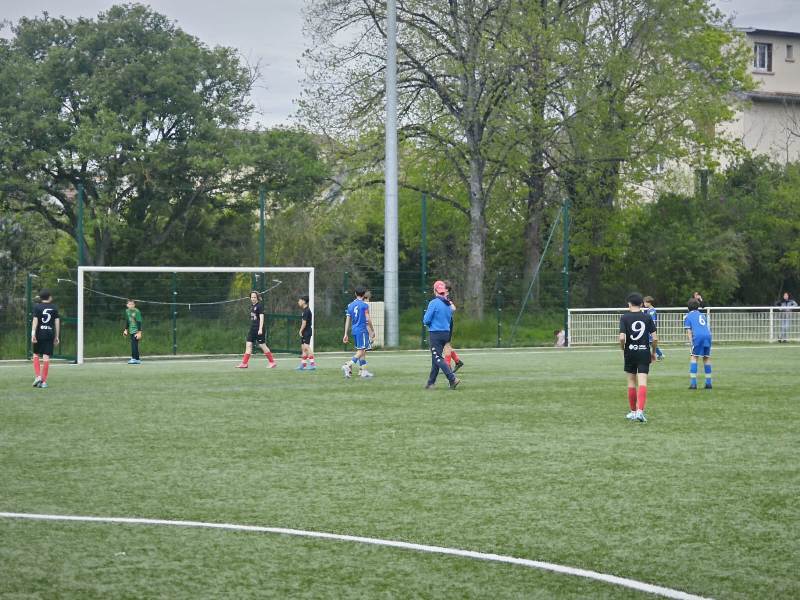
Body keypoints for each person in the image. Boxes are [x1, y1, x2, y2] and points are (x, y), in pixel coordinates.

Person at [619, 292, 657, 423]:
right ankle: (640, 411)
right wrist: (653, 352)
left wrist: (623, 349)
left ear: (629, 303)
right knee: (642, 382)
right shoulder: (647, 317)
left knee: (631, 382)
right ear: (641, 304)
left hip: (630, 352)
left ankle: (633, 412)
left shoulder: (624, 317)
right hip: (644, 352)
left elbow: (622, 338)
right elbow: (655, 338)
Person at [424, 280, 461, 390]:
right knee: (435, 358)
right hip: (446, 333)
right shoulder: (448, 304)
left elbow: (426, 320)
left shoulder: (433, 303)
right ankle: (431, 383)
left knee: (437, 357)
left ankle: (452, 379)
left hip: (435, 334)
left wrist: (430, 324)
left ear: (435, 290)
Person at [235, 291, 277, 369]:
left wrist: (260, 329)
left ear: (257, 298)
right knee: (248, 344)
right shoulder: (252, 306)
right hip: (252, 329)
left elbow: (261, 318)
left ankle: (272, 362)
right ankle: (244, 363)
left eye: (254, 297)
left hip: (258, 329)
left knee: (262, 345)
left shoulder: (259, 306)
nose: (253, 299)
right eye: (252, 297)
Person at [342, 285, 375, 378]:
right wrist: (372, 330)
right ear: (364, 294)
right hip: (362, 330)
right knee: (361, 350)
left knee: (362, 350)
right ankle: (348, 365)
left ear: (355, 294)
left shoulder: (350, 305)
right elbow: (368, 319)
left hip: (354, 331)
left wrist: (345, 334)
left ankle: (363, 371)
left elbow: (348, 320)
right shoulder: (364, 305)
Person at [31, 289, 60, 389]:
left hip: (39, 334)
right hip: (49, 334)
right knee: (46, 356)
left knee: (36, 354)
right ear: (50, 297)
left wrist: (33, 334)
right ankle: (43, 381)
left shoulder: (37, 307)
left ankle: (38, 376)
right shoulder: (54, 307)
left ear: (40, 298)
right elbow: (57, 322)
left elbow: (35, 321)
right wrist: (57, 336)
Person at [684, 298, 713, 389]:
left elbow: (689, 331)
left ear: (688, 307)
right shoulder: (702, 315)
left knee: (694, 357)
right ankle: (708, 383)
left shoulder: (688, 316)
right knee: (706, 358)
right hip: (708, 335)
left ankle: (693, 384)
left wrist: (691, 343)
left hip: (698, 336)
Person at [442, 281, 464, 372]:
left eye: (443, 287)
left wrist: (448, 304)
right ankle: (457, 361)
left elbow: (453, 308)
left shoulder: (446, 298)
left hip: (447, 323)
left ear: (447, 290)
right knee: (445, 344)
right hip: (443, 323)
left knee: (446, 344)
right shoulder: (442, 297)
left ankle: (447, 366)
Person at [296, 295, 316, 370]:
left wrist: (300, 330)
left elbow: (304, 323)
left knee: (307, 347)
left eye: (299, 300)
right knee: (303, 348)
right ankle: (303, 364)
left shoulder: (307, 311)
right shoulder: (304, 310)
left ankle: (313, 364)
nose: (298, 302)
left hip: (307, 331)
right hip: (305, 331)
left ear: (304, 301)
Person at [643, 296, 665, 361]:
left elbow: (652, 321)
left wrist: (651, 329)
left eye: (645, 302)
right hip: (649, 329)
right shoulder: (649, 310)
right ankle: (659, 355)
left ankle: (659, 355)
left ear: (649, 303)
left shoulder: (652, 311)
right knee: (650, 343)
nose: (644, 304)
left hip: (650, 330)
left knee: (650, 343)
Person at [122, 299, 143, 364]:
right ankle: (137, 359)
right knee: (134, 344)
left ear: (134, 305)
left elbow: (139, 322)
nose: (131, 305)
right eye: (129, 304)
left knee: (134, 344)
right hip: (131, 330)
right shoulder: (127, 311)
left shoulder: (137, 311)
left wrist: (139, 333)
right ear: (127, 305)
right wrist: (126, 330)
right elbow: (127, 321)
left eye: (132, 304)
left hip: (136, 331)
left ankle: (134, 358)